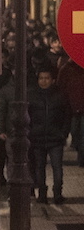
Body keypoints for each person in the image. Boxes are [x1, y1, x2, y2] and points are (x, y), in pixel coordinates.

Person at [30, 65, 70, 203]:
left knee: (57, 167)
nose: (44, 81)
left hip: (55, 138)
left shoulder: (60, 95)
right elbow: (27, 116)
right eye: (41, 78)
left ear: (52, 80)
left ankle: (57, 193)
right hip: (38, 137)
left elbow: (67, 116)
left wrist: (63, 133)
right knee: (39, 168)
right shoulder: (33, 95)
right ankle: (42, 194)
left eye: (47, 78)